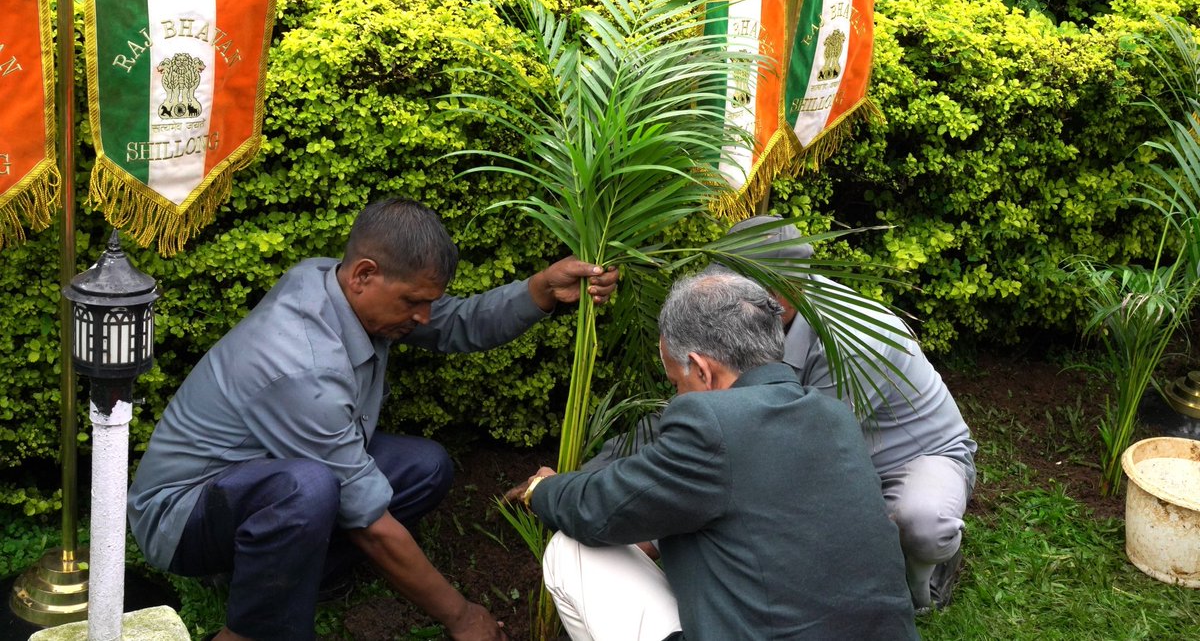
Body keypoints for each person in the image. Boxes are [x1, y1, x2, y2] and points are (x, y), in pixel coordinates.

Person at [126, 197, 619, 641]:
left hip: (262, 475)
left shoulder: (335, 284)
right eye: (413, 302)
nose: (423, 316)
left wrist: (541, 288)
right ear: (364, 274)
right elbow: (370, 522)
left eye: (428, 301)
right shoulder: (302, 364)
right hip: (184, 513)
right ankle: (251, 630)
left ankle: (278, 572)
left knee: (425, 467)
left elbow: (457, 322)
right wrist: (462, 616)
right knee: (308, 489)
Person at [506, 272, 918, 641]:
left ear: (702, 370)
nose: (675, 397)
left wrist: (543, 488)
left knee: (571, 551)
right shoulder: (834, 415)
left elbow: (597, 509)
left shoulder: (711, 422)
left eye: (676, 382)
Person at [728, 214, 978, 612]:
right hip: (840, 448)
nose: (722, 300)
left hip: (914, 457)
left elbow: (808, 452)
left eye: (737, 289)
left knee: (922, 524)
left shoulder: (852, 341)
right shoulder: (756, 313)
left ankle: (931, 570)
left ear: (784, 294)